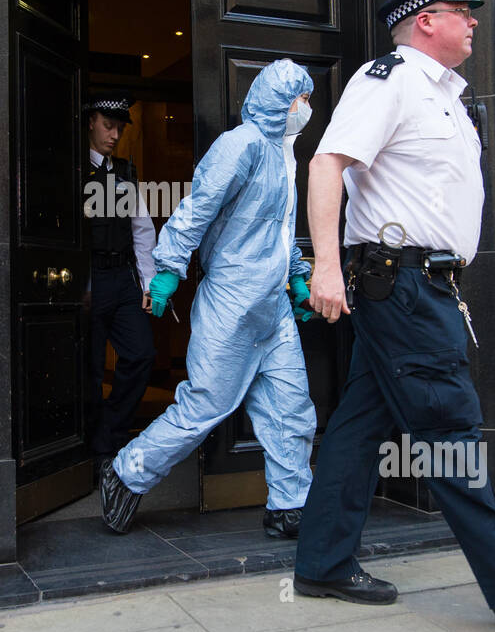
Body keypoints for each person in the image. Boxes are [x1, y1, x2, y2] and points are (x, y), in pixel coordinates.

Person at [294, 0, 495, 629]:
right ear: (427, 22)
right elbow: (327, 162)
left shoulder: (448, 99)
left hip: (421, 283)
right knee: (448, 428)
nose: (474, 21)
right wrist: (323, 264)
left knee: (361, 425)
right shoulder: (392, 81)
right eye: (463, 11)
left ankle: (321, 563)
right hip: (400, 283)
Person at [99, 59, 319, 538]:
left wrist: (298, 277)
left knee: (290, 407)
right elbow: (196, 208)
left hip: (272, 307)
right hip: (231, 304)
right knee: (204, 407)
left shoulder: (285, 155)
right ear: (280, 100)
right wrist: (166, 269)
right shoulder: (240, 145)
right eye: (302, 98)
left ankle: (290, 504)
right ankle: (126, 471)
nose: (307, 107)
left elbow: (283, 232)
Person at [83, 96, 157, 459]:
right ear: (91, 123)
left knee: (141, 353)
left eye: (120, 128)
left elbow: (142, 229)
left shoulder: (126, 171)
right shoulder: (74, 168)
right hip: (90, 278)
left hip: (124, 278)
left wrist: (148, 284)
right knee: (92, 368)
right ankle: (95, 450)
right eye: (108, 126)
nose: (115, 135)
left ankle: (112, 431)